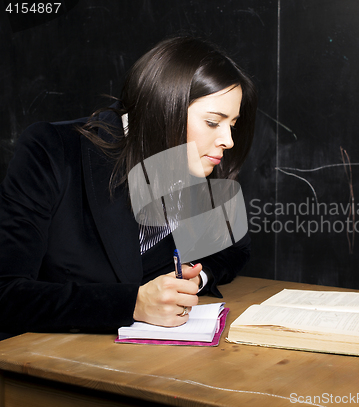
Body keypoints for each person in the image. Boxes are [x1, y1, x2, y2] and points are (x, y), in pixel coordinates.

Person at [0, 36, 257, 339]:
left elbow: (234, 246)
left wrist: (194, 278)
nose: (228, 140)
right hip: (44, 361)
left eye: (233, 125)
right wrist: (133, 304)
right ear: (165, 110)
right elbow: (6, 292)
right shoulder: (52, 151)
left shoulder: (194, 163)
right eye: (213, 122)